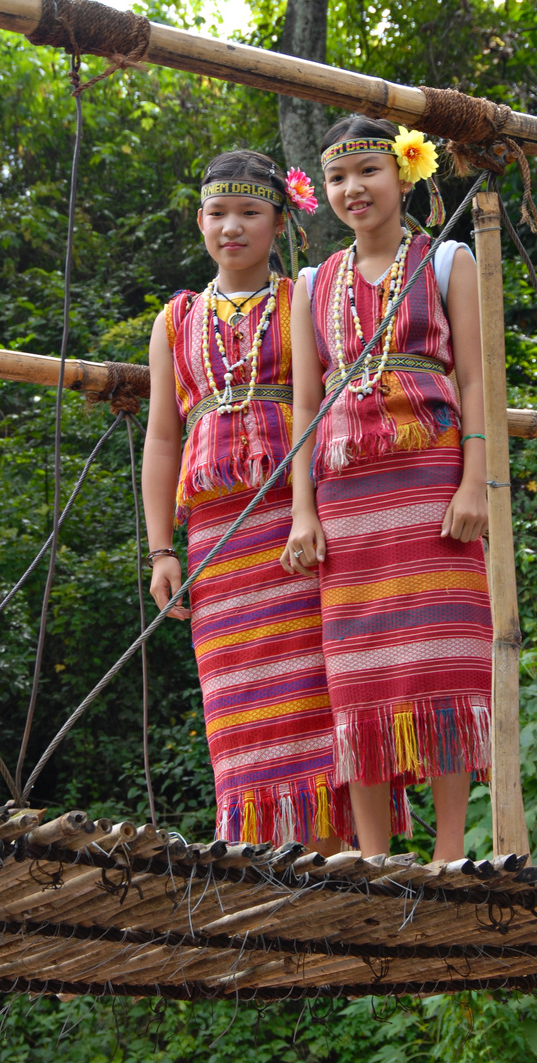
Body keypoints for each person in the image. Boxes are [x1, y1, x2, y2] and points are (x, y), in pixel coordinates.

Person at [280, 117, 492, 861]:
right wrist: (301, 513)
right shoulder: (311, 284)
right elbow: (304, 408)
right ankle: (373, 856)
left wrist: (475, 485)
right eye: (336, 178)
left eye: (367, 171)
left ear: (404, 174)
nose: (351, 190)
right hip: (346, 503)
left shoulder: (448, 262)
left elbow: (475, 381)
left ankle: (448, 850)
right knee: (358, 674)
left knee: (444, 660)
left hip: (433, 485)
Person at [142, 150, 344, 854]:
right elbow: (162, 439)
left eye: (249, 213)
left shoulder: (304, 300)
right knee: (239, 712)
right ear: (199, 221)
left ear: (279, 221)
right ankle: (261, 867)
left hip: (296, 522)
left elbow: (327, 412)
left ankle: (338, 862)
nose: (232, 227)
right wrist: (161, 550)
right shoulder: (175, 319)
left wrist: (308, 512)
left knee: (316, 698)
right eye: (218, 214)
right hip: (215, 537)